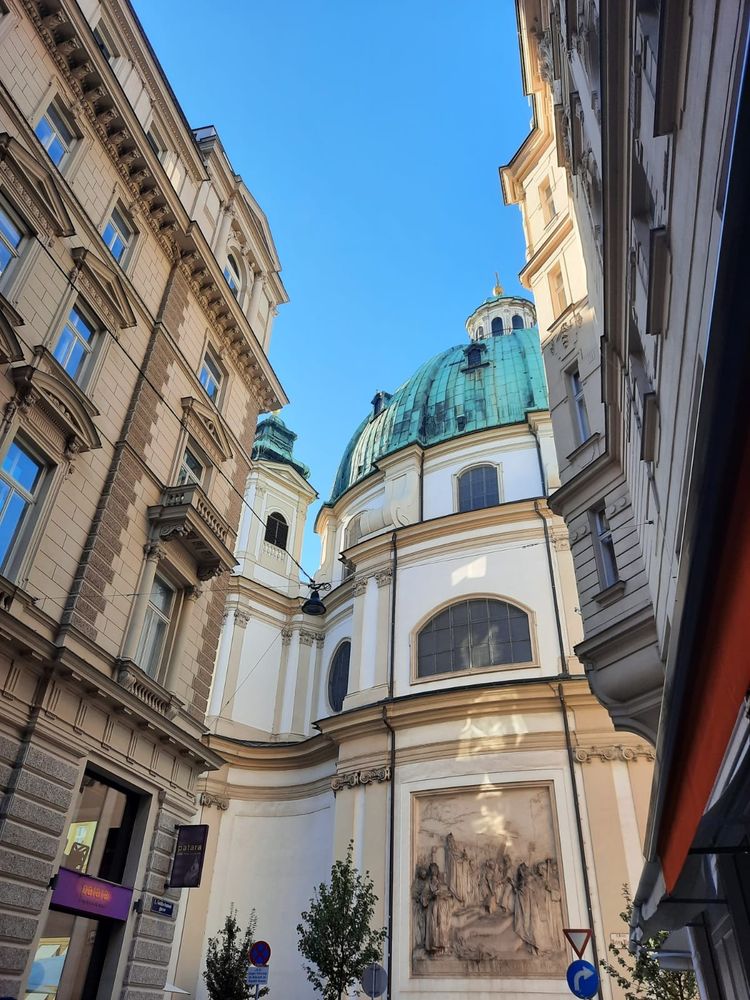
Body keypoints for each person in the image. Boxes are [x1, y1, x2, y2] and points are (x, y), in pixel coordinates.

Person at [423, 863, 453, 954]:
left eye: (435, 869)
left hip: (441, 907)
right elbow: (424, 896)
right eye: (432, 870)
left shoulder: (441, 882)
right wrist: (431, 895)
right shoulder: (428, 884)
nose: (434, 871)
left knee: (442, 925)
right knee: (433, 926)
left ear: (437, 871)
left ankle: (442, 946)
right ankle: (433, 947)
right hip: (432, 907)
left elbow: (448, 894)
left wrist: (443, 895)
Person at [411, 865, 429, 952]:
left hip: (426, 908)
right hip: (419, 907)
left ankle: (425, 941)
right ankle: (420, 942)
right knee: (419, 925)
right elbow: (413, 893)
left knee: (425, 925)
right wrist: (419, 898)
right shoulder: (417, 882)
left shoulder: (427, 883)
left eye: (425, 874)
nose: (424, 875)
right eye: (422, 874)